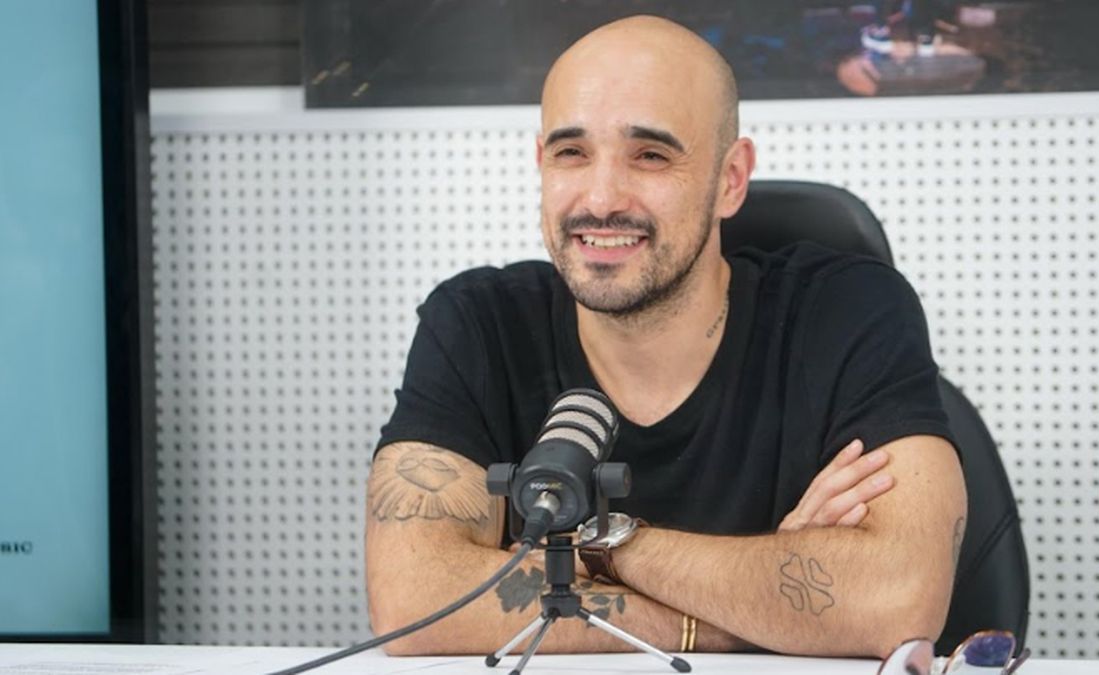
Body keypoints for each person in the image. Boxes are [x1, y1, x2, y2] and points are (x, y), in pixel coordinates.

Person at [365, 15, 966, 658]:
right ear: (541, 163)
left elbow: (898, 597)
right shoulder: (478, 323)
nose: (601, 199)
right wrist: (757, 615)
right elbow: (413, 596)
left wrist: (602, 547)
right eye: (572, 153)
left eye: (650, 155)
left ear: (730, 179)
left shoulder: (847, 310)